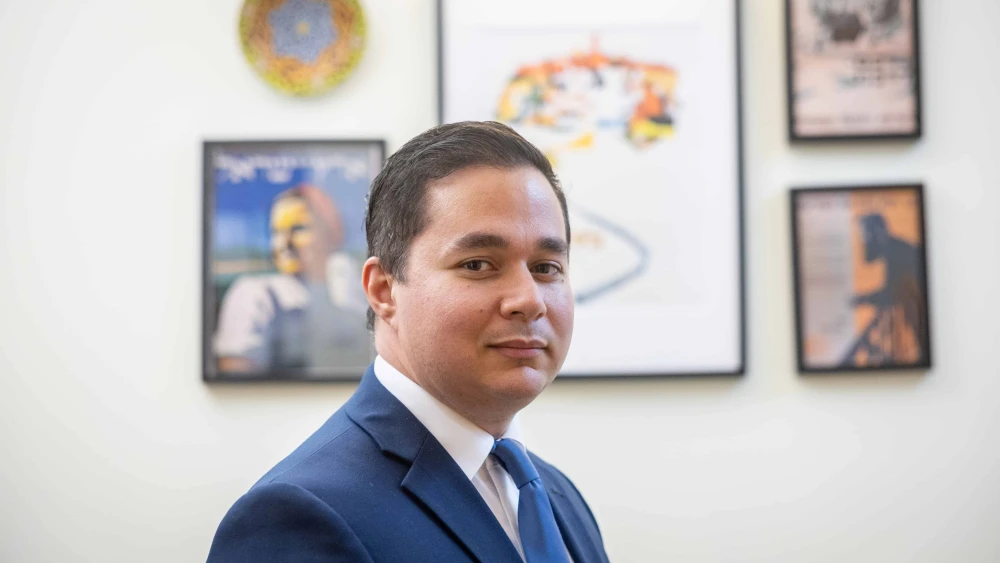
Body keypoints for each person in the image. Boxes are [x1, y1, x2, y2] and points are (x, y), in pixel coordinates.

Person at [207, 121, 610, 562]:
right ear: (383, 291)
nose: (529, 300)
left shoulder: (558, 496)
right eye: (478, 264)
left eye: (547, 267)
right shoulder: (294, 519)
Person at [213, 184, 370, 376]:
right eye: (277, 232)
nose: (284, 242)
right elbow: (236, 380)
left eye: (298, 229)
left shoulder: (348, 305)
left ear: (331, 235)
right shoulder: (256, 295)